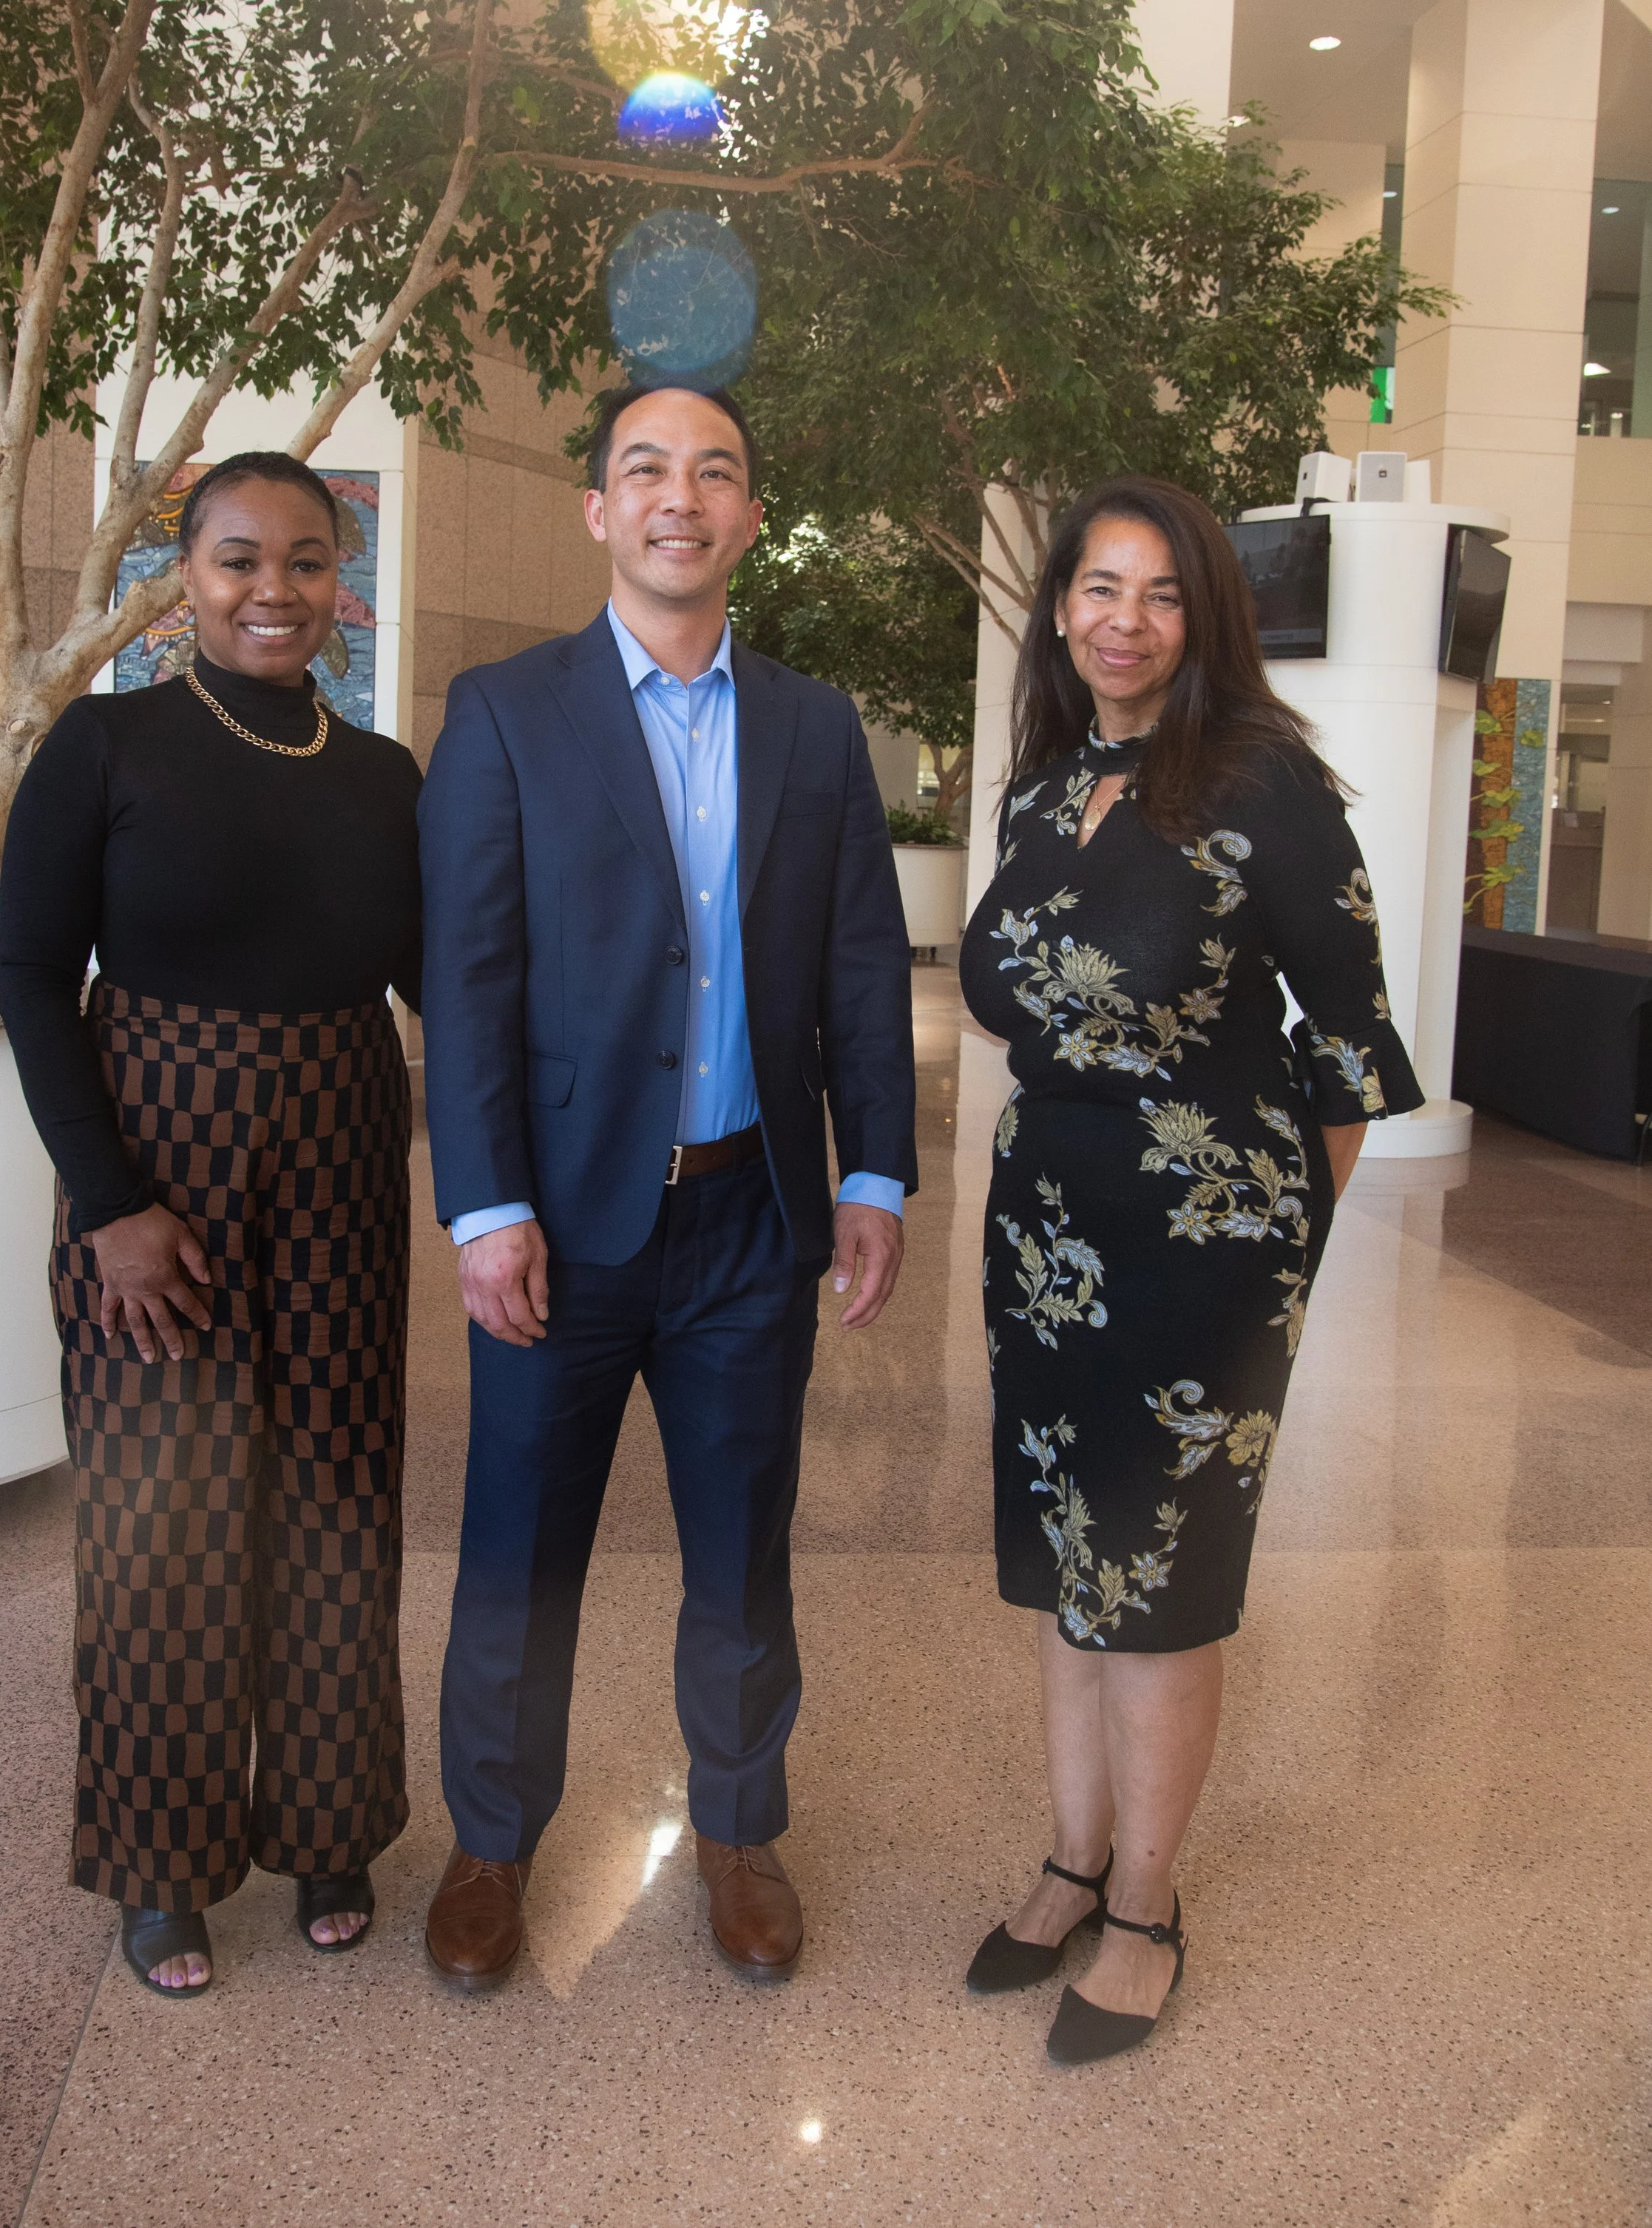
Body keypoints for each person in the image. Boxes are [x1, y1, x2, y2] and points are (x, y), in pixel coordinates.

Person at [417, 382, 916, 1989]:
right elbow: (469, 973)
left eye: (714, 472)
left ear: (751, 514)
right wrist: (484, 1206)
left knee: (741, 1544)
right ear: (598, 509)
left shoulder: (814, 724)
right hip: (560, 1221)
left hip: (746, 1220)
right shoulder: (504, 710)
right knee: (518, 1545)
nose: (678, 497)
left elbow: (855, 964)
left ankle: (738, 1829)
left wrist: (877, 1169)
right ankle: (490, 1843)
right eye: (645, 468)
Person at [957, 475, 1422, 2063]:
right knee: (1064, 1565)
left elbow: (1351, 1052)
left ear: (1202, 614)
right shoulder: (1043, 784)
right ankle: (1069, 1856)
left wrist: (1273, 1253)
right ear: (1063, 607)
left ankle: (1144, 1905)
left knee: (1153, 1592)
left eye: (1159, 592)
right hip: (1046, 1234)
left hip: (1200, 1254)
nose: (1123, 619)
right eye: (1098, 586)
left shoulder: (1263, 783)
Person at [0, 452, 424, 1999]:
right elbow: (34, 974)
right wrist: (109, 1205)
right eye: (239, 559)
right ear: (178, 576)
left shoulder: (382, 777)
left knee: (333, 1502)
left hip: (339, 1165)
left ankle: (329, 1826)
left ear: (339, 583)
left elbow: (444, 983)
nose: (273, 590)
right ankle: (160, 1863)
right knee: (158, 1520)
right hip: (154, 1167)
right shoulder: (104, 746)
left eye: (306, 561)